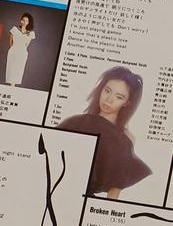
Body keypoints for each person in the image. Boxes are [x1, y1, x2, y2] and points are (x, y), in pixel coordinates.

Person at [59, 66, 152, 199]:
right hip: (57, 189)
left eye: (119, 97)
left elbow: (115, 188)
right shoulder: (75, 122)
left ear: (127, 103)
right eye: (107, 91)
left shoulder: (125, 138)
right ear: (101, 89)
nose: (109, 100)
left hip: (85, 199)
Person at [4, 13, 35, 87]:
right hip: (13, 51)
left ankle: (13, 86)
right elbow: (10, 42)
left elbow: (26, 45)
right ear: (21, 21)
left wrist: (21, 51)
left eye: (26, 21)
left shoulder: (30, 33)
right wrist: (13, 49)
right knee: (11, 70)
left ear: (28, 22)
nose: (24, 22)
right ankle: (11, 85)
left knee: (18, 70)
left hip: (22, 53)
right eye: (23, 20)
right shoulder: (15, 29)